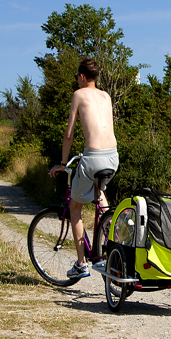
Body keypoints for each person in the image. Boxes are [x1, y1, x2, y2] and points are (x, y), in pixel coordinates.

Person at [48, 58, 119, 279]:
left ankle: (81, 264)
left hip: (93, 158)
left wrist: (62, 163)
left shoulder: (79, 95)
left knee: (75, 207)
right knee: (100, 195)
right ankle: (113, 238)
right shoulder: (106, 96)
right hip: (113, 157)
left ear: (81, 76)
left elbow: (69, 134)